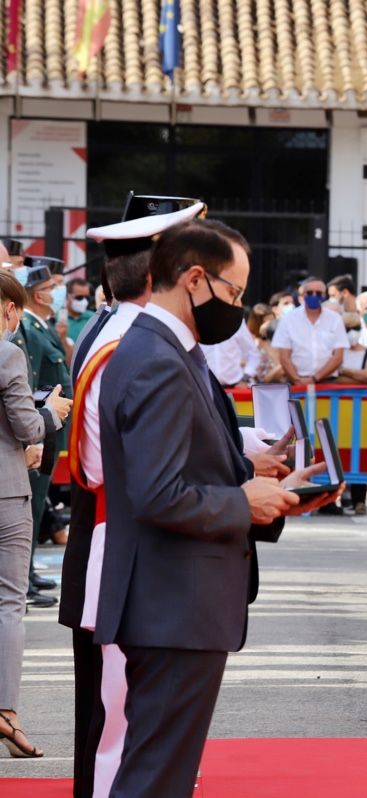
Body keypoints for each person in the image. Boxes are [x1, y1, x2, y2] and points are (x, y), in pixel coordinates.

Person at [92, 219, 339, 796]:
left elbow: (184, 463)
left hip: (176, 601)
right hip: (172, 602)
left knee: (161, 772)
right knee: (155, 777)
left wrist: (263, 486)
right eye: (234, 292)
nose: (238, 307)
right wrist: (241, 501)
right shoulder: (157, 356)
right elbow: (156, 493)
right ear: (195, 279)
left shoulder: (172, 349)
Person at [60, 195, 207, 795]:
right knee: (121, 734)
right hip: (131, 551)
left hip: (120, 545)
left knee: (121, 726)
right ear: (160, 272)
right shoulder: (135, 347)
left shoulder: (123, 332)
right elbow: (125, 471)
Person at [0, 269, 72, 760]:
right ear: (10, 309)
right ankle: (5, 712)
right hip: (5, 494)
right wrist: (55, 413)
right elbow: (27, 424)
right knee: (9, 603)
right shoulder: (8, 352)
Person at [16, 258, 72, 608]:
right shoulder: (28, 329)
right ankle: (21, 579)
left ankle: (27, 572)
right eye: (50, 288)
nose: (57, 292)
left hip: (49, 426)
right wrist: (33, 435)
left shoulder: (42, 327)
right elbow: (30, 383)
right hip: (38, 428)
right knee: (31, 505)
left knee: (36, 506)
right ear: (36, 294)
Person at [272, 276, 350, 384]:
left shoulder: (335, 319)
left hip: (327, 382)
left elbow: (338, 356)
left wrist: (315, 378)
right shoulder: (288, 319)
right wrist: (297, 380)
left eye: (318, 293)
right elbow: (284, 357)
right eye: (309, 293)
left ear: (324, 296)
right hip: (296, 382)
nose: (314, 296)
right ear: (303, 295)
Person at [200, 320, 260, 388]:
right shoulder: (198, 321)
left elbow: (253, 354)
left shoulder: (236, 321)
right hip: (206, 386)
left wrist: (245, 378)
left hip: (235, 385)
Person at [66, 278, 95, 344]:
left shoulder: (94, 318)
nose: (84, 301)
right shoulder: (57, 319)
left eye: (87, 298)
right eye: (79, 297)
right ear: (68, 296)